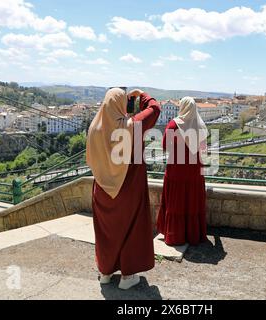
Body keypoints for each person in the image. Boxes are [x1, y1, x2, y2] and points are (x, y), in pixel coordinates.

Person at [86, 88, 161, 290]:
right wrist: (142, 95)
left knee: (105, 232)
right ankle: (128, 277)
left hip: (101, 188)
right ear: (121, 104)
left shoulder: (94, 127)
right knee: (131, 228)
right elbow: (155, 109)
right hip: (128, 188)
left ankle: (105, 272)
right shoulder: (133, 126)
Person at [156, 97, 208, 246]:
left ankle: (175, 235)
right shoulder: (200, 125)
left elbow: (165, 145)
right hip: (195, 169)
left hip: (177, 169)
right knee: (192, 201)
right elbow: (204, 148)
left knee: (176, 201)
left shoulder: (174, 124)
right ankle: (192, 235)